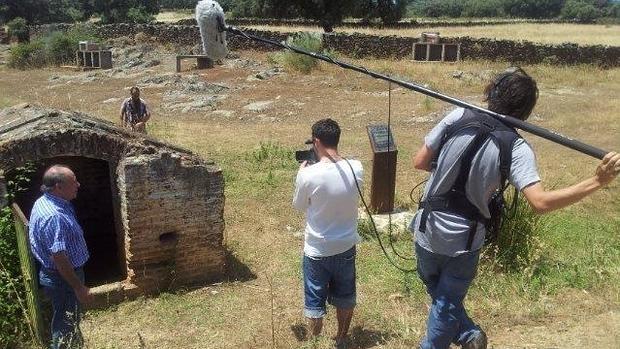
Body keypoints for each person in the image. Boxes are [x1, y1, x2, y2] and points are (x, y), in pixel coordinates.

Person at [409, 67, 620, 349]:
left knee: (440, 295)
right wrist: (597, 180)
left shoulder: (457, 115)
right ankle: (467, 334)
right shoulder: (517, 148)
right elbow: (540, 203)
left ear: (492, 93)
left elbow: (420, 162)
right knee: (446, 301)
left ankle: (469, 335)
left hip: (426, 227)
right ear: (526, 111)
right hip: (463, 240)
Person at [292, 118, 364, 348]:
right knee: (345, 295)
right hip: (345, 246)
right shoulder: (356, 167)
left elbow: (299, 206)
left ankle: (316, 341)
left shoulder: (308, 175)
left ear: (316, 141)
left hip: (317, 249)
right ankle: (342, 338)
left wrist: (301, 175)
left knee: (314, 301)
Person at [29, 165, 93, 349]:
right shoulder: (54, 216)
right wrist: (78, 287)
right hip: (63, 279)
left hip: (58, 277)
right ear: (58, 186)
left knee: (67, 321)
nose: (78, 185)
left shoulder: (45, 201)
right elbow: (59, 258)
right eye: (74, 182)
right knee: (65, 327)